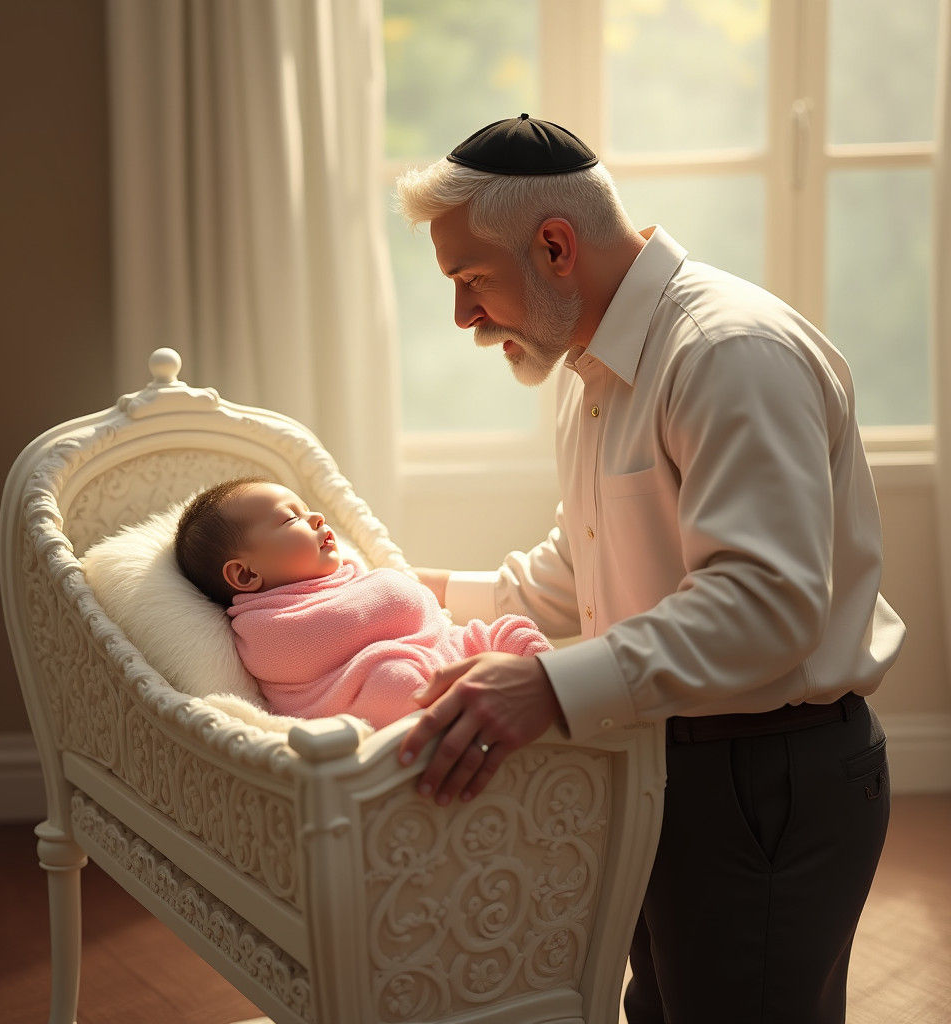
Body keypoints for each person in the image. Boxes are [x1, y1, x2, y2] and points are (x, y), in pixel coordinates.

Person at [392, 114, 905, 1023]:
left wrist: (548, 687)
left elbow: (765, 606)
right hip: (671, 764)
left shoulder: (725, 353)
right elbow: (581, 569)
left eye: (471, 280)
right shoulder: (591, 371)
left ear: (555, 245)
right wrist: (409, 587)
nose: (464, 315)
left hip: (767, 781)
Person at [173, 477, 551, 729]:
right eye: (291, 519)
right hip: (383, 687)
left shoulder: (346, 572)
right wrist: (394, 590)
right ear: (244, 576)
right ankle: (464, 717)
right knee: (393, 680)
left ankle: (551, 680)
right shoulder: (262, 628)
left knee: (510, 630)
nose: (316, 517)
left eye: (306, 508)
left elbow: (407, 608)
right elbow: (347, 626)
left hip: (445, 646)